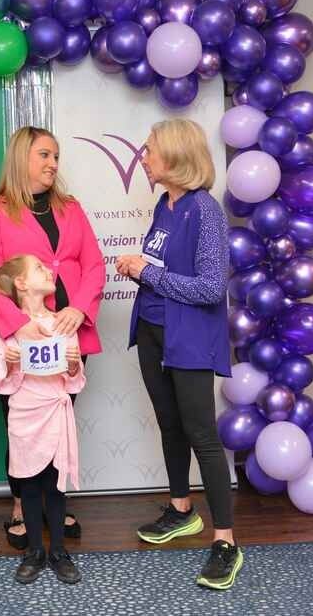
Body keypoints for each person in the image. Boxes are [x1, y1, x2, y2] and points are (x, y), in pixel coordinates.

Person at [115, 119, 242, 590]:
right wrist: (142, 267)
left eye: (149, 149)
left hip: (188, 338)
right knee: (170, 424)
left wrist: (145, 273)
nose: (143, 157)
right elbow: (165, 267)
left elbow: (210, 288)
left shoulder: (204, 210)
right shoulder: (163, 205)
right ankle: (181, 509)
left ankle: (225, 542)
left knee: (201, 435)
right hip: (153, 332)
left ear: (174, 156)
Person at [0, 126, 105, 550]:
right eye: (44, 155)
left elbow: (94, 264)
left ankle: (55, 503)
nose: (53, 163)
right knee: (23, 427)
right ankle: (20, 505)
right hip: (19, 341)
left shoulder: (70, 208)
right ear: (21, 159)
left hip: (67, 336)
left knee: (60, 422)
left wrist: (79, 309)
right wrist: (16, 324)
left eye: (56, 156)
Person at [0, 254, 85, 584]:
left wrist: (72, 364)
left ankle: (58, 550)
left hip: (54, 414)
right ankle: (34, 551)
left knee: (55, 485)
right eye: (40, 269)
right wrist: (10, 362)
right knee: (29, 485)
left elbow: (73, 380)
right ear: (21, 283)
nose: (48, 271)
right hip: (24, 417)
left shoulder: (62, 323)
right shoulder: (10, 329)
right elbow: (0, 376)